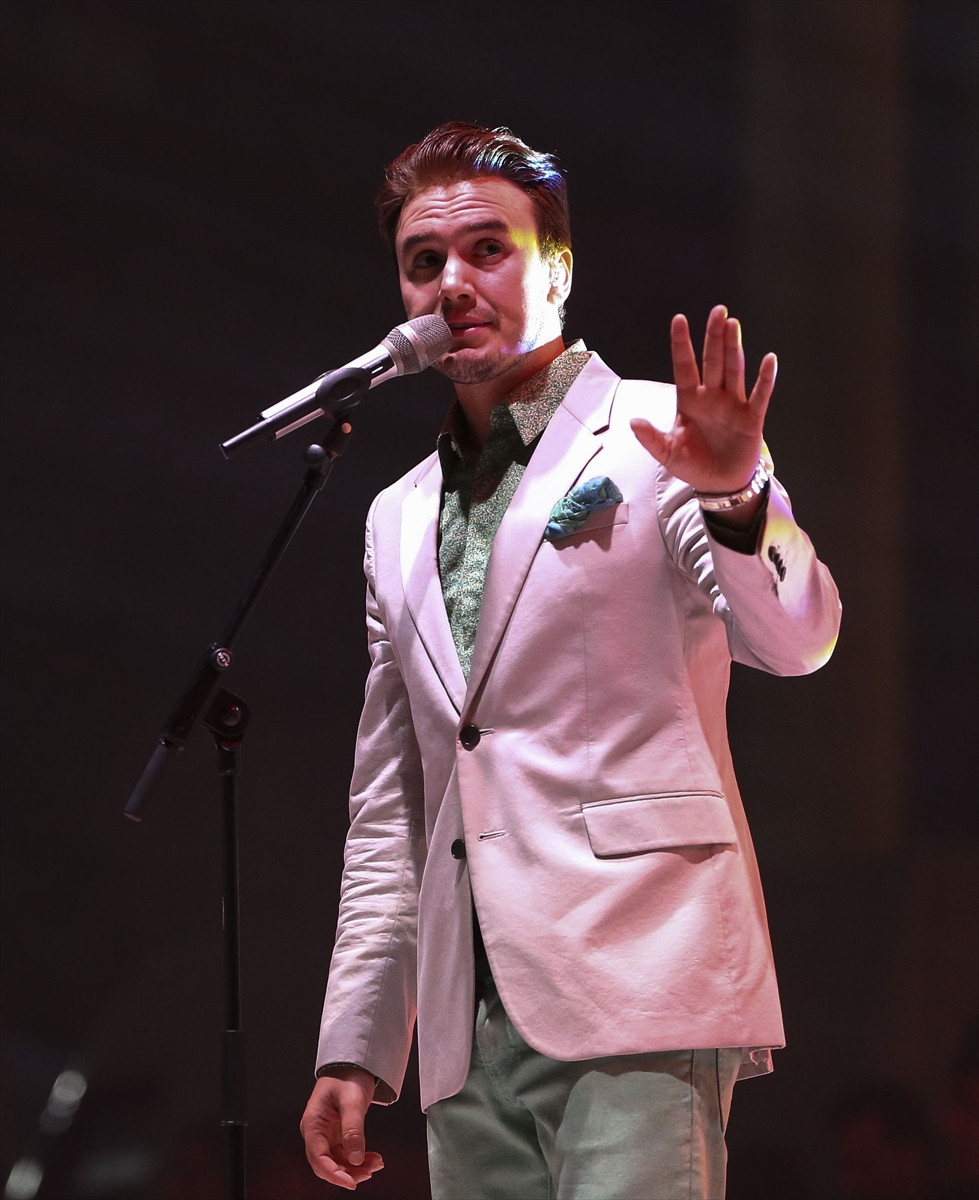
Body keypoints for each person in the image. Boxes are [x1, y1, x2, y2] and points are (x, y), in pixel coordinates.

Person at [300, 122, 841, 1199]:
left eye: (486, 249)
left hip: (641, 969)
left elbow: (797, 638)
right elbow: (393, 803)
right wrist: (354, 1043)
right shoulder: (396, 513)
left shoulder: (660, 432)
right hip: (465, 1020)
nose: (453, 283)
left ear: (558, 269)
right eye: (423, 261)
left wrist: (739, 497)